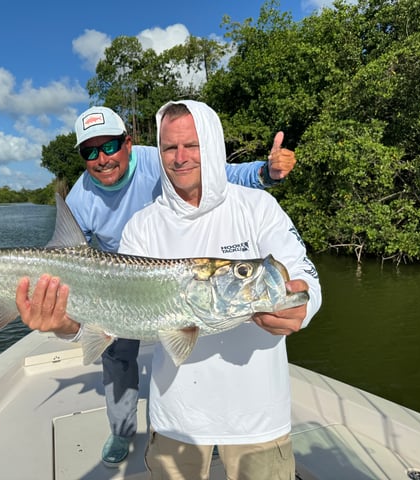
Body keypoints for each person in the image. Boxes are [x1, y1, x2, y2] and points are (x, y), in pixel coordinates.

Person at [16, 105, 297, 468]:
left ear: (128, 143)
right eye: (89, 151)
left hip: (167, 267)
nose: (102, 159)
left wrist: (266, 173)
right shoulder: (81, 199)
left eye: (110, 146)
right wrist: (70, 319)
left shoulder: (161, 158)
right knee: (115, 354)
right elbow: (68, 255)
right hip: (116, 271)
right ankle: (121, 428)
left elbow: (218, 172)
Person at [117, 100, 322, 479]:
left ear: (212, 145)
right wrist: (70, 323)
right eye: (169, 148)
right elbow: (128, 318)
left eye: (192, 145)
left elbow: (304, 280)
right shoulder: (141, 227)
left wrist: (301, 307)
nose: (180, 158)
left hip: (259, 420)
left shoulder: (259, 207)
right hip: (176, 419)